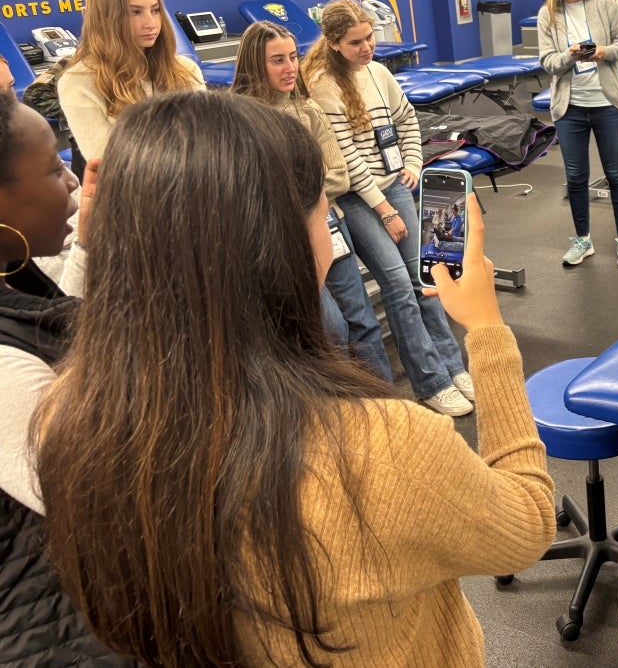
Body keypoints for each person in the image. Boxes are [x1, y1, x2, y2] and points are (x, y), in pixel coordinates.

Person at [34, 91, 556, 666]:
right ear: (279, 242)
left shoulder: (68, 418)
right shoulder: (382, 447)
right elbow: (526, 524)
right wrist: (487, 331)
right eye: (321, 215)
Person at [0, 97, 135, 664]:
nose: (73, 191)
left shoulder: (17, 276)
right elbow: (110, 489)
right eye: (56, 171)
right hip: (66, 633)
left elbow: (62, 335)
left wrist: (87, 240)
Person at [304, 0, 474, 416]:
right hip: (356, 200)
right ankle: (430, 381)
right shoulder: (324, 85)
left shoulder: (379, 73)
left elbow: (406, 120)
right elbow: (349, 159)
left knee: (425, 274)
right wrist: (386, 210)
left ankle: (453, 366)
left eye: (370, 38)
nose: (367, 48)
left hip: (394, 185)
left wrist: (413, 162)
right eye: (356, 42)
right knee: (397, 284)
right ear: (333, 43)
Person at [232, 20, 393, 382]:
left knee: (361, 319)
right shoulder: (240, 119)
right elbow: (249, 190)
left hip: (329, 224)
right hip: (280, 241)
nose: (290, 68)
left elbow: (338, 176)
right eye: (277, 60)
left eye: (292, 57)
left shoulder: (308, 111)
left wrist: (291, 182)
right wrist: (309, 178)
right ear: (255, 64)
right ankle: (338, 408)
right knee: (329, 329)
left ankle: (384, 400)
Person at [536, 0, 618, 267]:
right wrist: (570, 55)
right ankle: (583, 240)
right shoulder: (547, 15)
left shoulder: (604, 2)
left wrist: (602, 52)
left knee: (616, 173)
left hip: (608, 102)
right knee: (576, 177)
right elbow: (549, 62)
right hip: (571, 108)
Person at [58, 0, 204, 162]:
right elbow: (109, 160)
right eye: (135, 12)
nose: (151, 23)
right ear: (106, 17)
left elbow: (206, 142)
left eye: (155, 10)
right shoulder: (79, 82)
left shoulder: (186, 70)